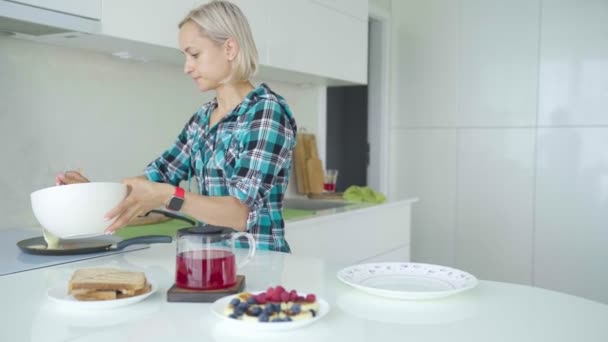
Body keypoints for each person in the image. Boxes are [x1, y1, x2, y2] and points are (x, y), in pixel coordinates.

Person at [56, 0, 297, 253]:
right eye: (185, 56)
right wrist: (92, 194)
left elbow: (239, 214)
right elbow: (155, 178)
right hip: (211, 264)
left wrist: (168, 196)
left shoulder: (266, 112)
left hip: (259, 267)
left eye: (194, 54)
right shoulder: (202, 119)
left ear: (229, 48)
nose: (187, 67)